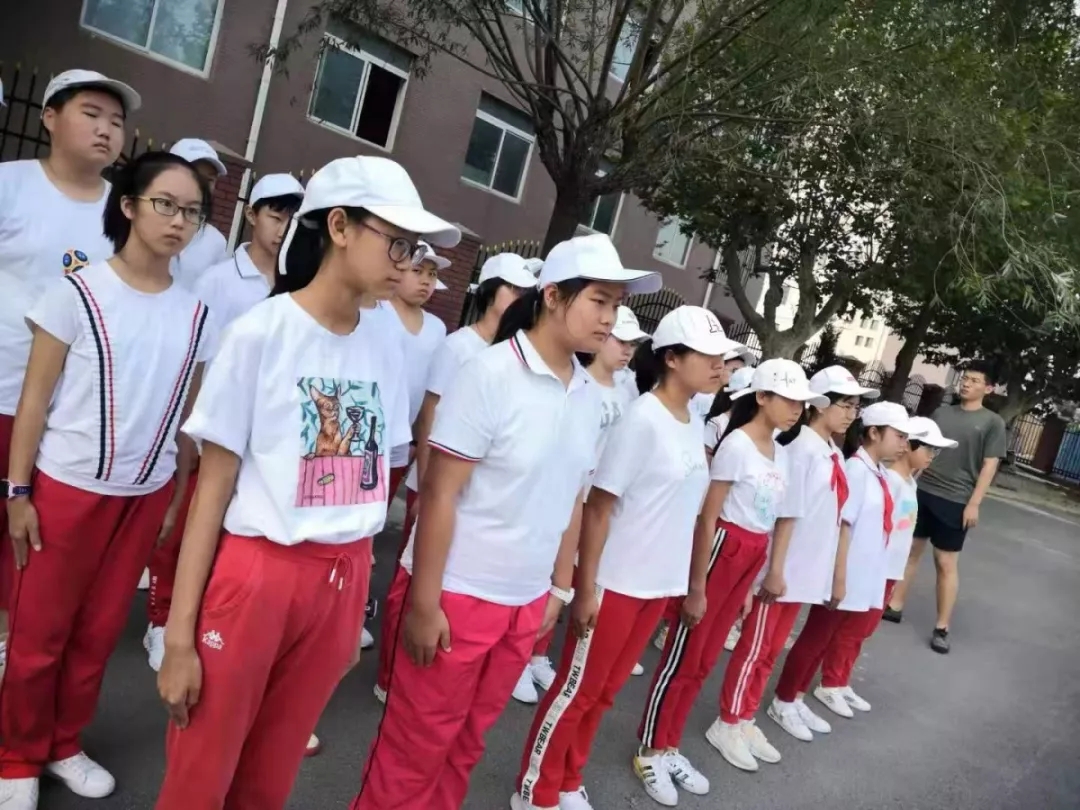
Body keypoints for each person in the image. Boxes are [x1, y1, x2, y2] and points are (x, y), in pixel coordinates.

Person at [152, 156, 451, 809]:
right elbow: (212, 492)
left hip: (341, 580)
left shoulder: (385, 340)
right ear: (339, 227)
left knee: (271, 775)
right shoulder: (261, 333)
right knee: (201, 773)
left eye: (414, 248)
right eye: (396, 242)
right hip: (259, 575)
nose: (407, 263)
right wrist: (178, 637)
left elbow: (368, 483)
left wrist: (349, 613)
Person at [352, 233, 660, 810]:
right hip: (458, 596)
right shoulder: (489, 374)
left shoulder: (589, 395)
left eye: (617, 305)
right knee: (414, 751)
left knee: (467, 747)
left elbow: (573, 498)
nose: (610, 318)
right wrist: (424, 603)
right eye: (599, 300)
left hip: (524, 603)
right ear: (552, 296)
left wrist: (558, 589)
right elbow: (440, 494)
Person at [0, 150, 212, 809]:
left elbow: (186, 420)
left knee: (95, 635)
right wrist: (18, 491)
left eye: (193, 212)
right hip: (65, 488)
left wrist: (174, 495)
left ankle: (64, 742)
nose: (178, 221)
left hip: (144, 496)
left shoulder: (197, 315)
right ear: (128, 206)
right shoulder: (78, 292)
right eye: (165, 204)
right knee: (39, 635)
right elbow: (33, 401)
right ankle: (16, 756)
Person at [512, 306, 738, 810]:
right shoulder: (643, 418)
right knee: (577, 691)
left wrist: (686, 585)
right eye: (708, 355)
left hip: (655, 585)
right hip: (615, 583)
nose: (718, 366)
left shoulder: (690, 420)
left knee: (605, 693)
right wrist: (584, 588)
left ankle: (569, 779)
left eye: (721, 357)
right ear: (672, 358)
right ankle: (536, 791)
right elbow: (598, 507)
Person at [0, 68, 140, 659]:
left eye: (117, 121)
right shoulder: (10, 185)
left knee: (30, 541)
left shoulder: (126, 213)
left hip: (68, 413)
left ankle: (10, 644)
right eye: (92, 114)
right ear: (49, 117)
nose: (107, 130)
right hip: (3, 388)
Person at [635, 360, 823, 800]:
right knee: (684, 656)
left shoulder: (779, 452)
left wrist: (749, 585)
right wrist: (697, 587)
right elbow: (708, 517)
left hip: (749, 558)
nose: (797, 409)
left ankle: (670, 746)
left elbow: (768, 522)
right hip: (722, 550)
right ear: (762, 397)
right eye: (789, 399)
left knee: (704, 662)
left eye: (802, 402)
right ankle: (649, 749)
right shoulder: (737, 445)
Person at [143, 172, 306, 673]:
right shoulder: (217, 281)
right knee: (186, 525)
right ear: (252, 215)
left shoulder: (298, 285)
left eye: (293, 218)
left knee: (229, 538)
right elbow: (190, 356)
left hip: (261, 440)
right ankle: (161, 621)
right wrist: (184, 430)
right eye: (275, 215)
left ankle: (206, 622)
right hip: (207, 428)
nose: (283, 227)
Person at [373, 251, 537, 704]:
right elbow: (430, 414)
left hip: (470, 490)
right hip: (436, 482)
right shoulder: (459, 346)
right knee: (412, 581)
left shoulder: (508, 353)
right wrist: (428, 485)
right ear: (490, 291)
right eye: (514, 289)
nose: (521, 298)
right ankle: (388, 674)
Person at [718, 366, 875, 747]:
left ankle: (747, 715)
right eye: (844, 404)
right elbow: (784, 516)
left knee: (771, 650)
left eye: (855, 407)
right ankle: (728, 720)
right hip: (783, 569)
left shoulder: (832, 452)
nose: (851, 414)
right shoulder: (800, 450)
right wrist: (774, 570)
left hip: (805, 571)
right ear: (818, 405)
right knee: (755, 648)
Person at [510, 304, 651, 707]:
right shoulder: (580, 383)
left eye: (633, 344)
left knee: (567, 580)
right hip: (569, 495)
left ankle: (538, 654)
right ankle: (519, 656)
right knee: (547, 574)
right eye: (621, 341)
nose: (627, 350)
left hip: (596, 500)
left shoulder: (627, 389)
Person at [774, 401, 917, 728]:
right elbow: (844, 526)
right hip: (844, 571)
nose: (904, 444)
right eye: (898, 435)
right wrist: (839, 577)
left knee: (825, 639)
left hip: (860, 573)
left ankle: (797, 697)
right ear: (874, 433)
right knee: (815, 637)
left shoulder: (877, 472)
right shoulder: (856, 470)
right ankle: (784, 699)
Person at [885, 361, 1006, 653]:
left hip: (956, 499)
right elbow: (922, 451)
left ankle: (942, 627)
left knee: (945, 563)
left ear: (988, 388)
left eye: (975, 380)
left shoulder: (992, 423)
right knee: (910, 551)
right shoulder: (942, 414)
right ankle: (894, 605)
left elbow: (990, 466)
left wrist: (974, 503)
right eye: (965, 378)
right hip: (924, 491)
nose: (966, 383)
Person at [874, 419, 957, 640]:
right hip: (876, 570)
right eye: (929, 448)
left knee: (862, 631)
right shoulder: (891, 482)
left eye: (936, 451)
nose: (932, 456)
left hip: (891, 571)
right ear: (908, 445)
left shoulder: (910, 482)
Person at [385, 241, 450, 504]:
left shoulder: (437, 328)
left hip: (400, 440)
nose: (426, 281)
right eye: (417, 271)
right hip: (364, 432)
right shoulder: (377, 310)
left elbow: (428, 394)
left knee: (381, 505)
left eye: (432, 274)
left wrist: (414, 441)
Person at [168, 138, 230, 290]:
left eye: (209, 180)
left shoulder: (216, 242)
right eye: (195, 176)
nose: (202, 186)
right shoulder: (144, 223)